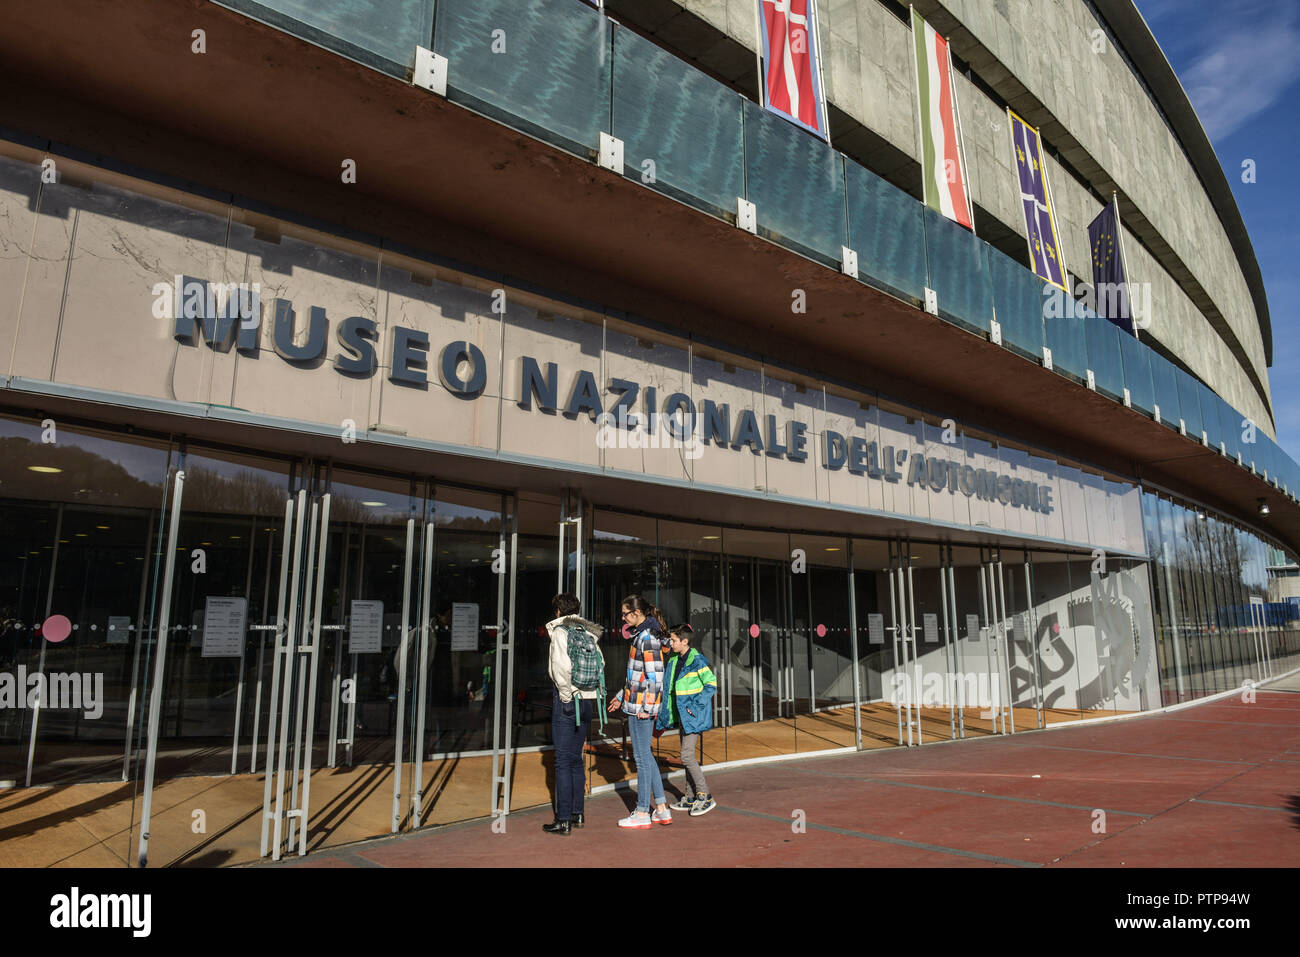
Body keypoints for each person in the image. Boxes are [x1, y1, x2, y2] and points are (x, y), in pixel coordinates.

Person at [542, 592, 604, 835]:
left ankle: (564, 819)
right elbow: (601, 665)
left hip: (567, 701)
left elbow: (560, 668)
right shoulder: (588, 633)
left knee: (562, 761)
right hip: (588, 702)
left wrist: (566, 696)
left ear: (558, 612)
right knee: (577, 759)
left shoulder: (560, 632)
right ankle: (578, 814)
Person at [607, 595, 671, 828]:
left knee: (642, 759)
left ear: (636, 613)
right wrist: (619, 697)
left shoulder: (647, 639)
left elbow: (656, 678)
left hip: (641, 709)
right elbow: (636, 677)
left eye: (625, 614)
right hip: (636, 705)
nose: (622, 618)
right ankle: (662, 808)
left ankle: (643, 811)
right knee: (646, 756)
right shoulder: (642, 637)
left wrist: (646, 708)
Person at [657, 623, 718, 816]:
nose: (671, 643)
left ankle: (705, 796)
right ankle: (691, 797)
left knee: (686, 755)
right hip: (683, 715)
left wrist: (694, 706)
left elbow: (711, 684)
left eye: (674, 640)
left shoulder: (697, 661)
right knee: (686, 756)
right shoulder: (675, 659)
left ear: (685, 641)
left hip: (692, 716)